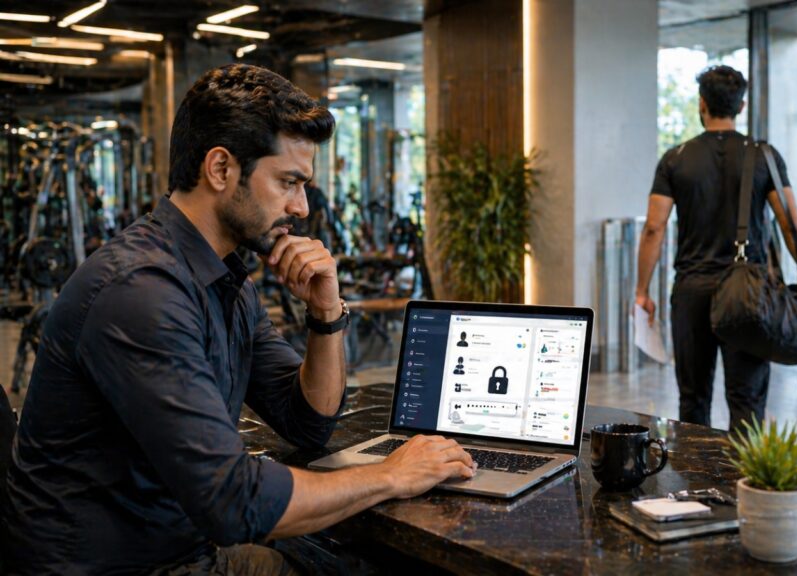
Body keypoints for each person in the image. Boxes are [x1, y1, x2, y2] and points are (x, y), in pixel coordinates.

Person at [1, 64, 475, 575]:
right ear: (221, 169)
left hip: (180, 546)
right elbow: (234, 503)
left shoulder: (224, 280)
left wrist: (325, 312)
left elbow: (308, 421)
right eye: (288, 182)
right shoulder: (141, 292)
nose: (301, 207)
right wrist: (392, 475)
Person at [634, 65, 797, 433]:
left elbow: (653, 228)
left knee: (693, 399)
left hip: (692, 292)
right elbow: (792, 224)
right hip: (748, 295)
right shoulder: (764, 156)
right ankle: (742, 487)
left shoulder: (675, 159)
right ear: (741, 107)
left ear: (701, 104)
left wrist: (642, 291)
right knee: (747, 400)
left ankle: (696, 485)